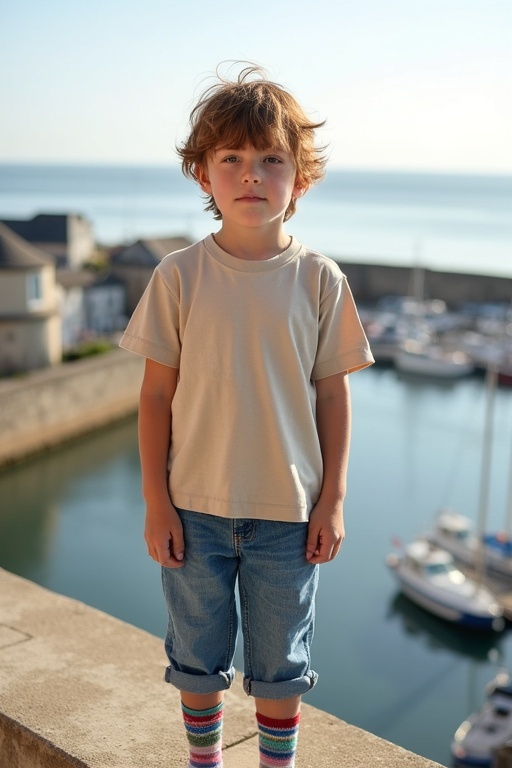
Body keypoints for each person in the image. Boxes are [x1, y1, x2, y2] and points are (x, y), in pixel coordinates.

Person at [119, 64, 374, 768]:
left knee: (281, 666)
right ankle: (206, 762)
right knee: (196, 662)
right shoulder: (179, 275)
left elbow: (333, 395)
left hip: (289, 515)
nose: (251, 174)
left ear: (301, 177)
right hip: (191, 509)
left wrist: (335, 500)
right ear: (203, 175)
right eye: (230, 158)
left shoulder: (321, 279)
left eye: (271, 159)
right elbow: (154, 397)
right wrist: (154, 503)